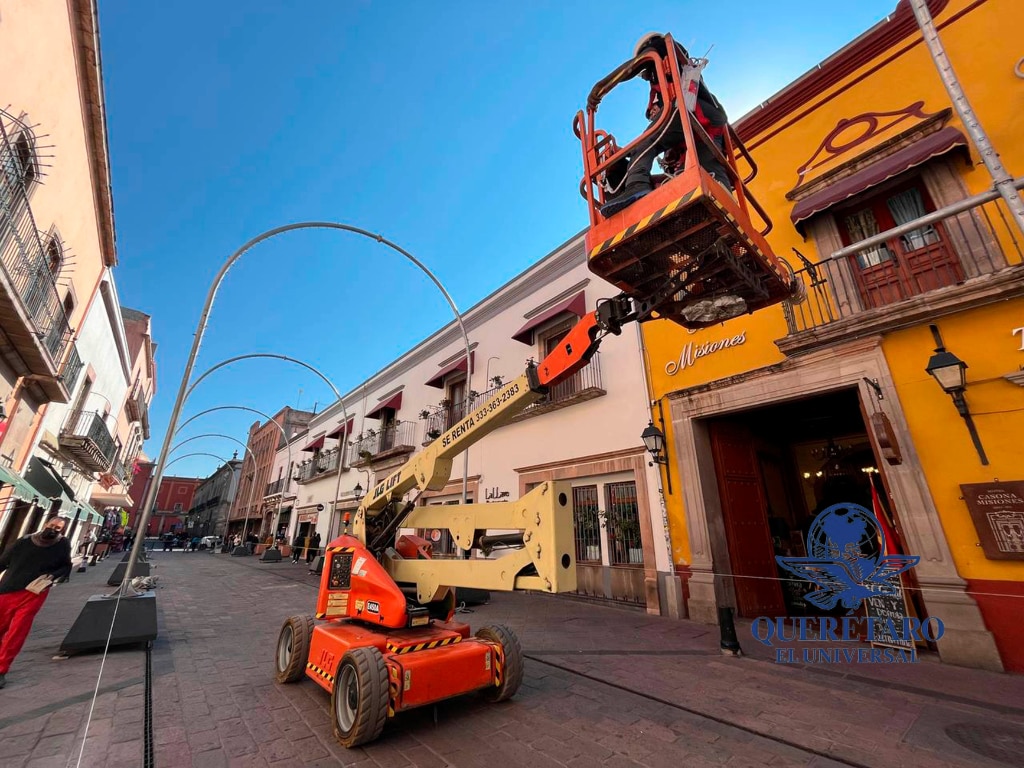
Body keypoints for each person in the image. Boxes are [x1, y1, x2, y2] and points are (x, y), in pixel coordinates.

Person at [593, 33, 733, 219]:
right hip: (702, 129)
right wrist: (622, 155)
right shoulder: (662, 81)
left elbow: (655, 133)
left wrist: (600, 88)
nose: (644, 76)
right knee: (707, 166)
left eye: (644, 70)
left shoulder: (663, 47)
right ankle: (727, 203)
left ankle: (636, 185)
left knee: (646, 143)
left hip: (693, 111)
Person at [0, 517, 73, 688]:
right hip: (8, 589)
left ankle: (2, 669)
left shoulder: (62, 545)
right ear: (45, 524)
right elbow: (3, 562)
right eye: (52, 526)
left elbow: (66, 566)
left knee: (17, 631)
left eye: (58, 528)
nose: (54, 530)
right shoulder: (24, 541)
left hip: (34, 593)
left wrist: (52, 576)